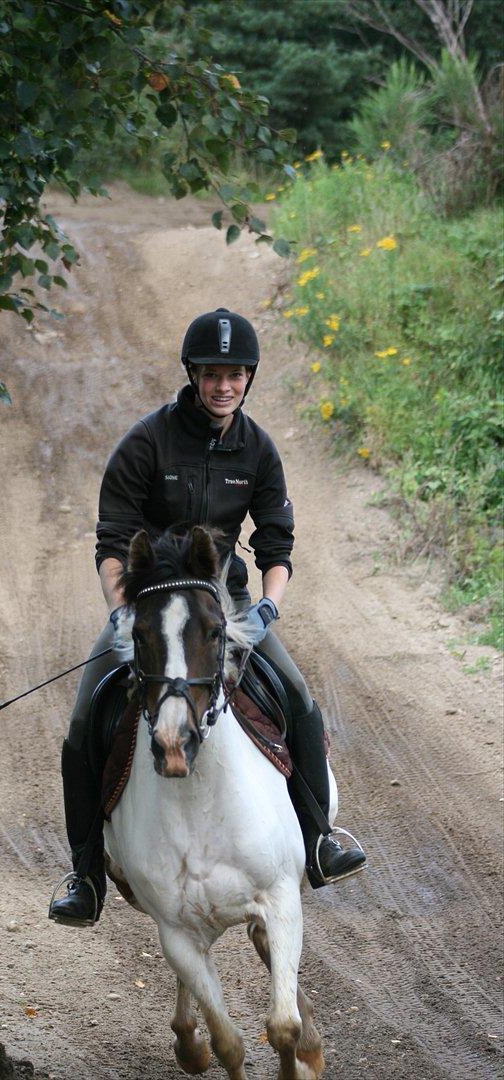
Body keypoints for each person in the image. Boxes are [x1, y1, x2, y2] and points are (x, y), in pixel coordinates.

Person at [50, 308, 366, 926]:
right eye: (213, 374)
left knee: (298, 696)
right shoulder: (147, 442)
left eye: (236, 375)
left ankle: (320, 836)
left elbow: (277, 546)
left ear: (249, 378)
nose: (225, 386)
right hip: (149, 609)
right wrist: (121, 616)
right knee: (86, 715)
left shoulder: (259, 449)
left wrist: (269, 604)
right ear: (193, 375)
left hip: (229, 606)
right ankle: (85, 870)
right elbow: (112, 542)